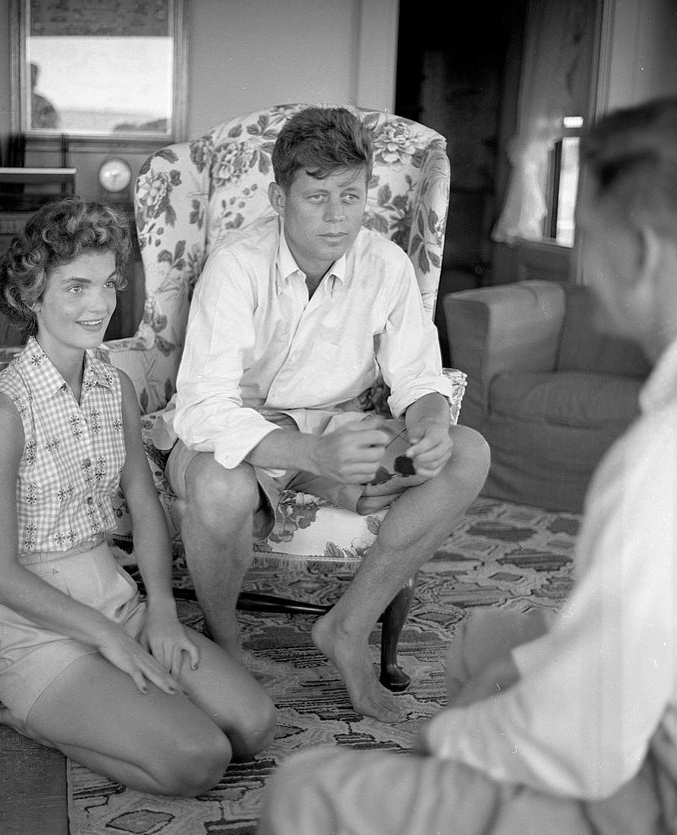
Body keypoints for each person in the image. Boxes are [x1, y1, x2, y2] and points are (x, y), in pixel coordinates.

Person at [255, 97, 677, 834]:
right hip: (655, 689)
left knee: (304, 788)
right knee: (483, 638)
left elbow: (592, 736)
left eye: (589, 234)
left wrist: (444, 747)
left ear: (645, 253)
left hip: (666, 776)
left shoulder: (665, 452)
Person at [160, 106, 491, 724]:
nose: (337, 215)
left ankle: (348, 626)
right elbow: (204, 407)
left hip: (342, 427)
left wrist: (431, 424)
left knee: (469, 452)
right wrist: (310, 456)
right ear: (278, 196)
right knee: (216, 482)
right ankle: (226, 641)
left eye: (351, 195)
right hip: (243, 425)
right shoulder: (235, 266)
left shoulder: (386, 264)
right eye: (316, 197)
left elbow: (419, 380)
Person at [0, 198, 275, 797]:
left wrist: (159, 607)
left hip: (119, 601)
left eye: (108, 283)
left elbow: (145, 504)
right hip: (39, 630)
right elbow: (0, 576)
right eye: (76, 286)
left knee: (253, 726)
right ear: (32, 294)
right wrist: (104, 638)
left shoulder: (116, 385)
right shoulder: (1, 410)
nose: (100, 304)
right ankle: (33, 719)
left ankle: (120, 696)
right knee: (200, 759)